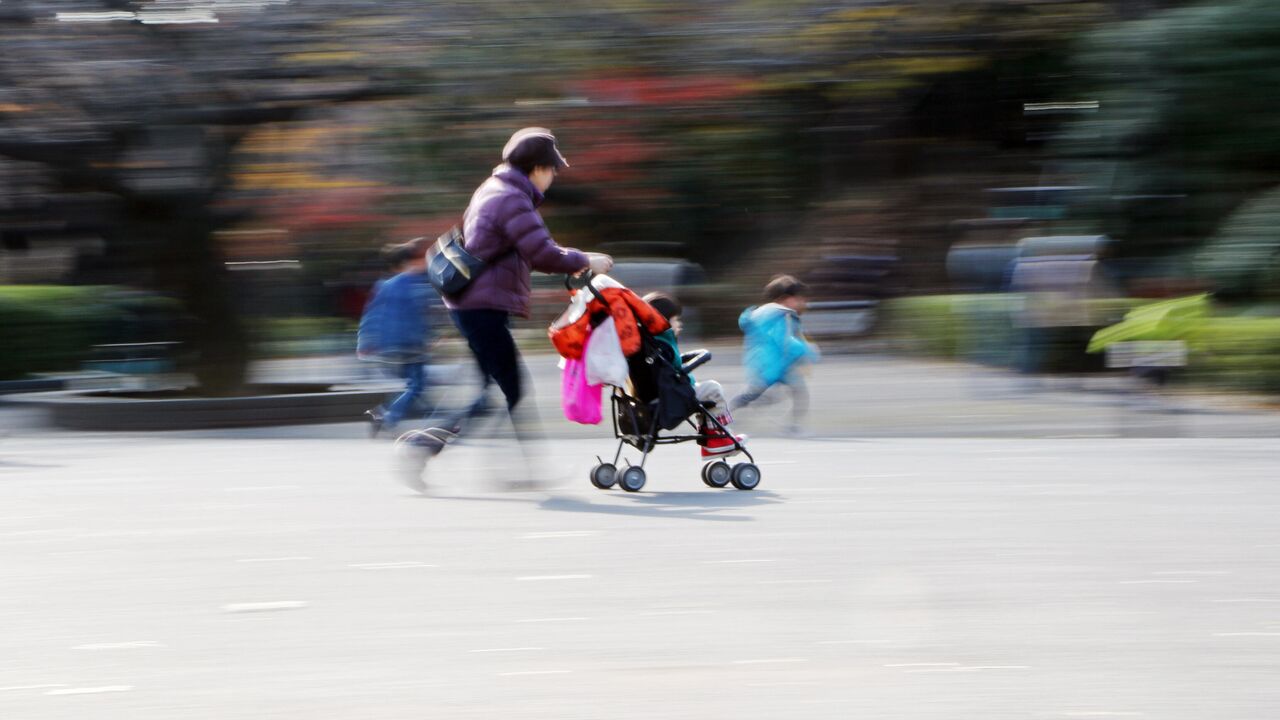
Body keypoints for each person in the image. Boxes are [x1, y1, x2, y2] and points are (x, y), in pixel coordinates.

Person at [399, 128, 612, 488]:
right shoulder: (512, 198)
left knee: (490, 391)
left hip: (474, 305)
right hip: (482, 307)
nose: (554, 175)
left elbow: (530, 249)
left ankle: (431, 449)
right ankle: (514, 469)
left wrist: (571, 260)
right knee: (513, 389)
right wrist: (586, 258)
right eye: (552, 168)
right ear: (536, 167)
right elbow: (542, 252)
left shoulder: (493, 189)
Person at [642, 292, 747, 460]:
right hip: (673, 395)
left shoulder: (649, 344)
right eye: (676, 320)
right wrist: (694, 363)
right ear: (663, 321)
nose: (679, 324)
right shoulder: (663, 345)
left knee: (705, 396)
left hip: (656, 396)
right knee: (713, 389)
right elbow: (674, 369)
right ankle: (718, 439)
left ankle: (711, 441)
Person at [357, 238, 438, 436]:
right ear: (412, 262)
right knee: (417, 386)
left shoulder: (383, 285)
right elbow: (429, 313)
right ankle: (387, 415)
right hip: (411, 343)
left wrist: (364, 342)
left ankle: (396, 414)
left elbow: (371, 315)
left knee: (416, 385)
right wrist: (432, 336)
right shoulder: (418, 283)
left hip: (389, 345)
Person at [731, 274, 820, 435]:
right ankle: (724, 417)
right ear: (785, 298)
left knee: (791, 392)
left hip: (765, 364)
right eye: (798, 298)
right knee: (755, 396)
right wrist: (808, 351)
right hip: (774, 366)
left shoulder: (761, 314)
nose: (801, 303)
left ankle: (792, 426)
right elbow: (784, 341)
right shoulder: (783, 314)